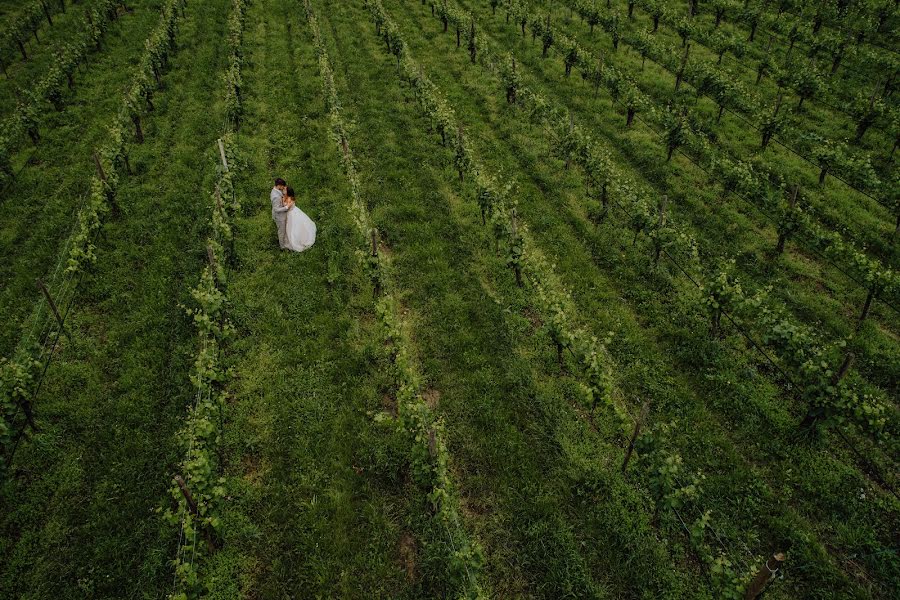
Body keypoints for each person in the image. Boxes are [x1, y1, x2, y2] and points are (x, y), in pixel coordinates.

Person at [283, 186, 316, 252]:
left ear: (288, 192)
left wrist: (283, 201)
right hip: (291, 212)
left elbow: (287, 207)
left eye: (285, 189)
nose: (283, 190)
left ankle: (297, 240)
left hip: (292, 214)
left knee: (293, 227)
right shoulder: (285, 197)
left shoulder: (289, 199)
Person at [271, 177, 292, 249]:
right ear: (279, 185)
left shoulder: (275, 190)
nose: (283, 188)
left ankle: (284, 242)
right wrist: (286, 207)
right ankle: (282, 247)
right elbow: (276, 209)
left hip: (281, 215)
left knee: (283, 230)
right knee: (281, 231)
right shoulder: (276, 196)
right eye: (283, 186)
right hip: (280, 217)